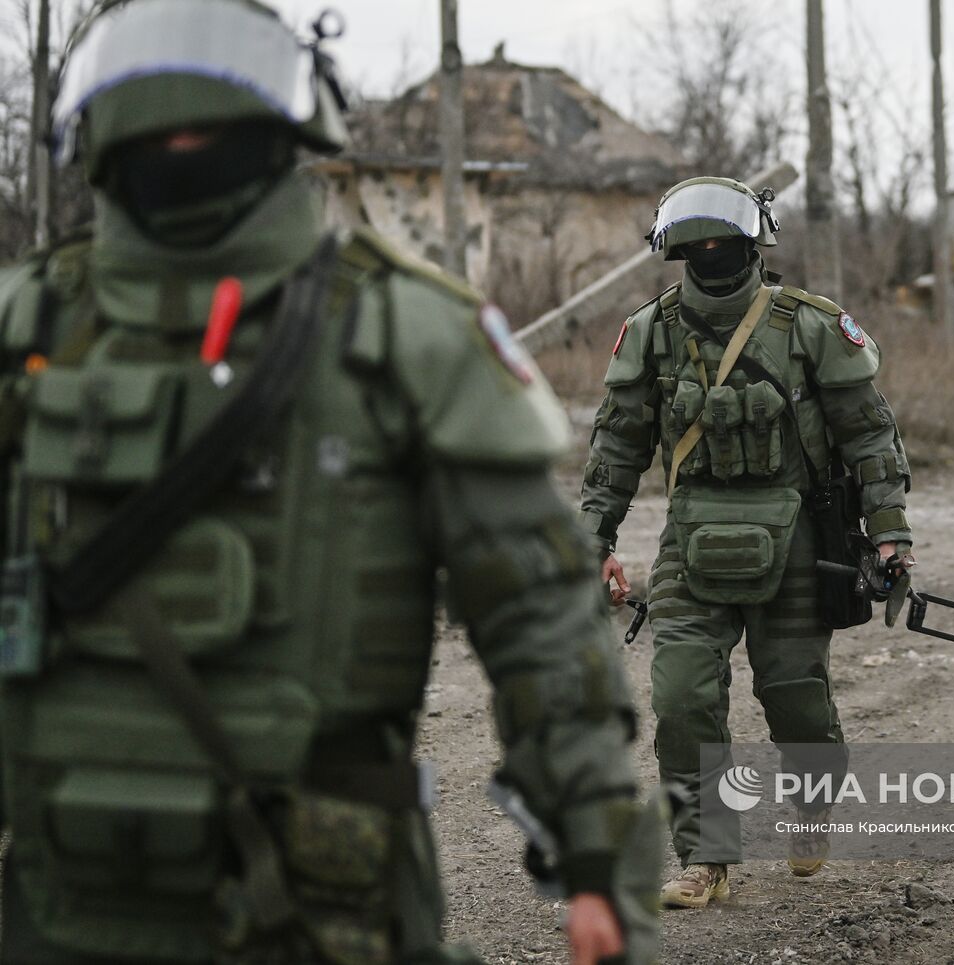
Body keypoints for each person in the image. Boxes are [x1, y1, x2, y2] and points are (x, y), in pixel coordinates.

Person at [0, 1, 658, 962]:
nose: (181, 138)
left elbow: (542, 621)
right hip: (60, 900)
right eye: (158, 113)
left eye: (208, 116)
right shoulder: (29, 330)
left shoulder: (403, 335)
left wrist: (595, 858)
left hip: (319, 912)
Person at [578, 176, 915, 908]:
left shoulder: (809, 326)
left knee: (795, 700)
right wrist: (593, 539)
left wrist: (889, 534)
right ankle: (706, 857)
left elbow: (869, 434)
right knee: (680, 697)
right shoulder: (652, 332)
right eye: (694, 244)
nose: (709, 254)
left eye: (721, 241)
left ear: (752, 241)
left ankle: (812, 799)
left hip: (797, 542)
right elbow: (616, 448)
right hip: (692, 543)